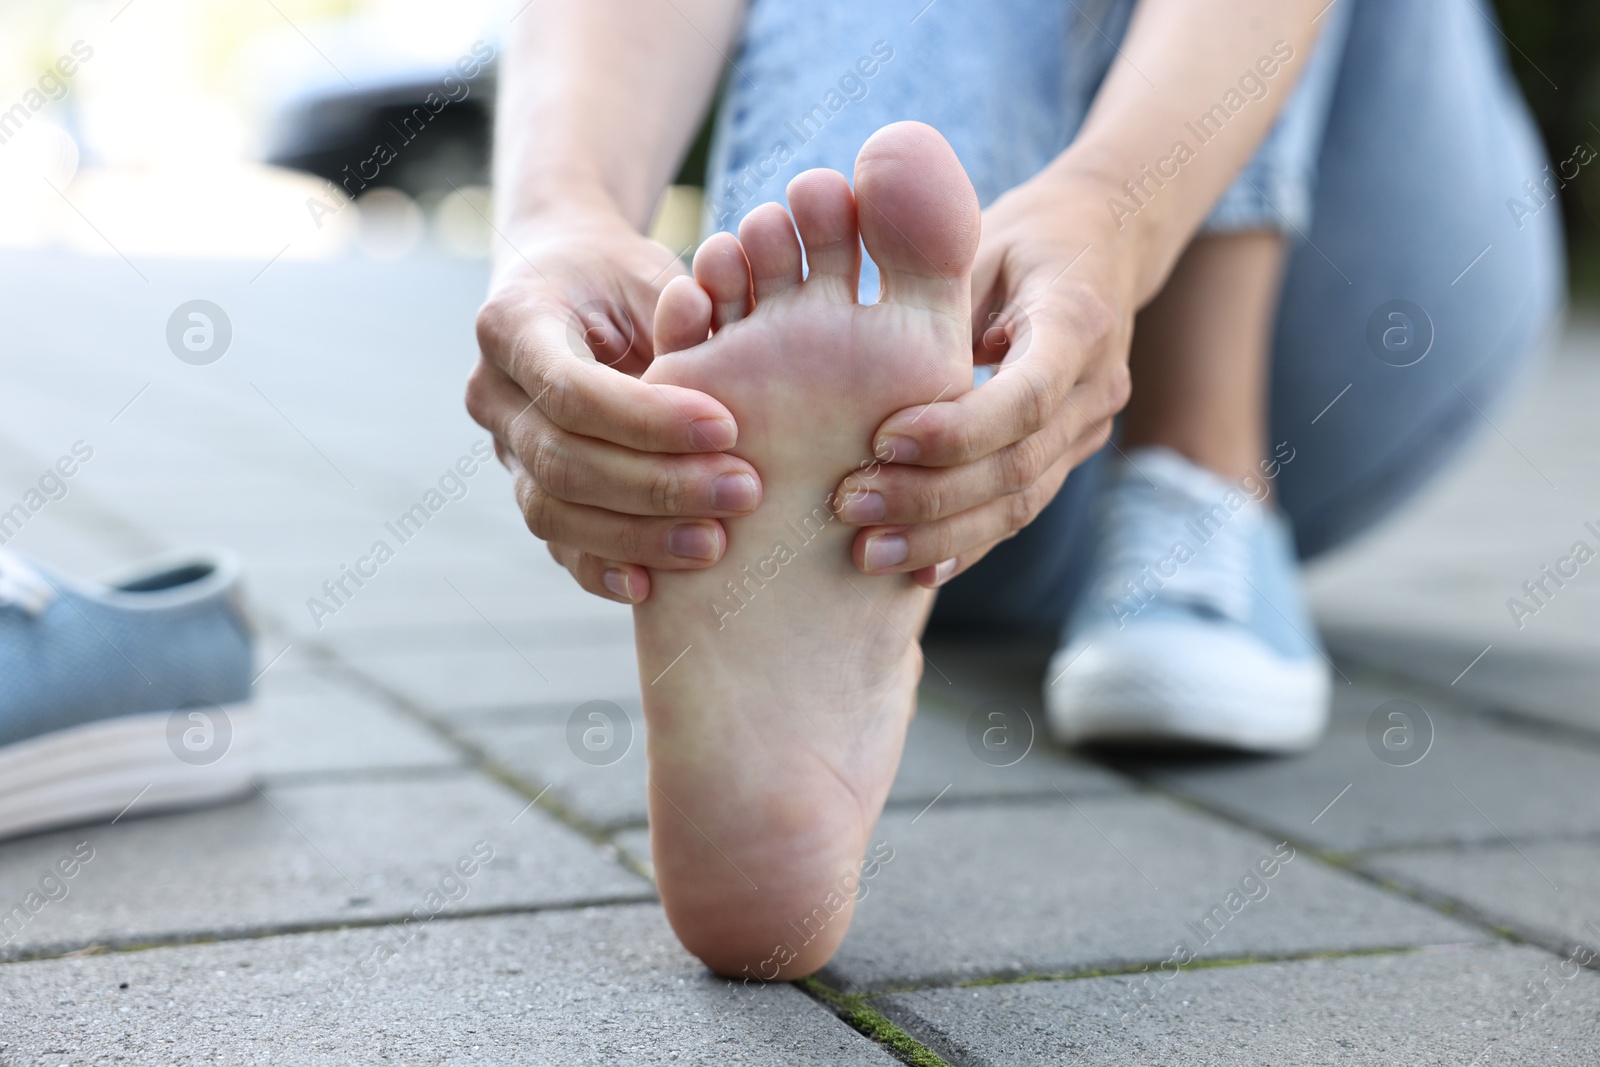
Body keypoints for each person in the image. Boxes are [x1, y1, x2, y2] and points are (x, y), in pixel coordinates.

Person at [467, 0, 1563, 978]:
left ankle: (1178, 469)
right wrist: (562, 216)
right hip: (974, 476)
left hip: (1331, 349)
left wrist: (1111, 216)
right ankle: (851, 479)